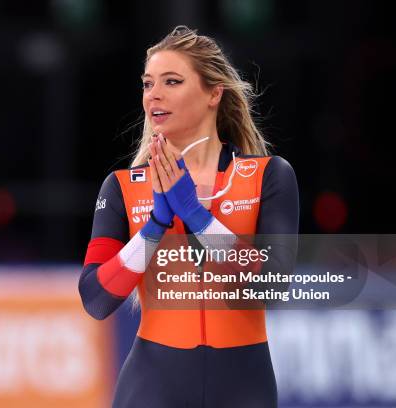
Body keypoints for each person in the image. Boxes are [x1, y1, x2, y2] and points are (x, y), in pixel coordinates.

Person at [79, 26, 299, 408]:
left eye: (172, 81)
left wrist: (197, 218)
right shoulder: (122, 188)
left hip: (244, 387)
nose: (154, 95)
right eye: (148, 84)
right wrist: (153, 227)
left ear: (215, 93)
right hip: (151, 387)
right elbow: (96, 300)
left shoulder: (269, 176)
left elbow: (274, 287)